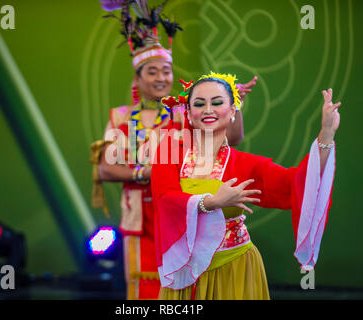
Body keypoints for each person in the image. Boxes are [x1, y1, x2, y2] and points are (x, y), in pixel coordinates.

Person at [90, 2, 258, 300]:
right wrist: (146, 173)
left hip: (182, 211)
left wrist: (235, 104)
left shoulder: (187, 115)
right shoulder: (120, 117)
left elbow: (233, 137)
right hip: (140, 217)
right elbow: (105, 168)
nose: (160, 78)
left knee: (185, 286)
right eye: (152, 71)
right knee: (144, 288)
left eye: (166, 71)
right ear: (137, 78)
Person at [151, 72, 339, 300]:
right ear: (189, 113)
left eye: (217, 102)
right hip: (184, 271)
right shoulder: (169, 154)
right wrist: (212, 202)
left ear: (232, 111)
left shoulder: (246, 165)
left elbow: (295, 185)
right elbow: (164, 198)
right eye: (199, 104)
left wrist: (326, 134)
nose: (208, 109)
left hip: (236, 269)